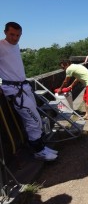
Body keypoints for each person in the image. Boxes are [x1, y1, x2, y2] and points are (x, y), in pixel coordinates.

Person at [0, 22, 58, 161]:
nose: (15, 38)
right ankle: (38, 150)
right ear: (5, 32)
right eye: (12, 34)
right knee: (33, 119)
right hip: (14, 90)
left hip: (23, 87)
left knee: (36, 119)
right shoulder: (1, 46)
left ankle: (40, 146)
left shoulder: (15, 46)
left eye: (18, 35)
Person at [58, 60, 88, 127]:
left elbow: (65, 81)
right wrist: (71, 86)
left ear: (67, 64)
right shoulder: (76, 66)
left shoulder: (69, 69)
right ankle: (87, 115)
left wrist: (60, 89)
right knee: (85, 99)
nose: (63, 69)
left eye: (63, 67)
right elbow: (77, 79)